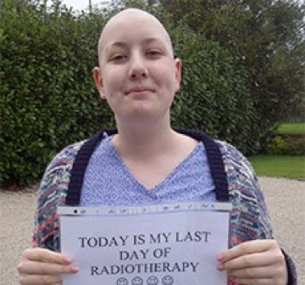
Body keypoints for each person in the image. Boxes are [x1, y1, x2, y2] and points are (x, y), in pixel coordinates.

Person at [17, 8, 296, 285]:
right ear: (100, 82)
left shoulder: (231, 170)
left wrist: (282, 275)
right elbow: (47, 270)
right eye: (119, 57)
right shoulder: (63, 174)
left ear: (176, 74)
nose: (138, 68)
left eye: (152, 53)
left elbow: (260, 269)